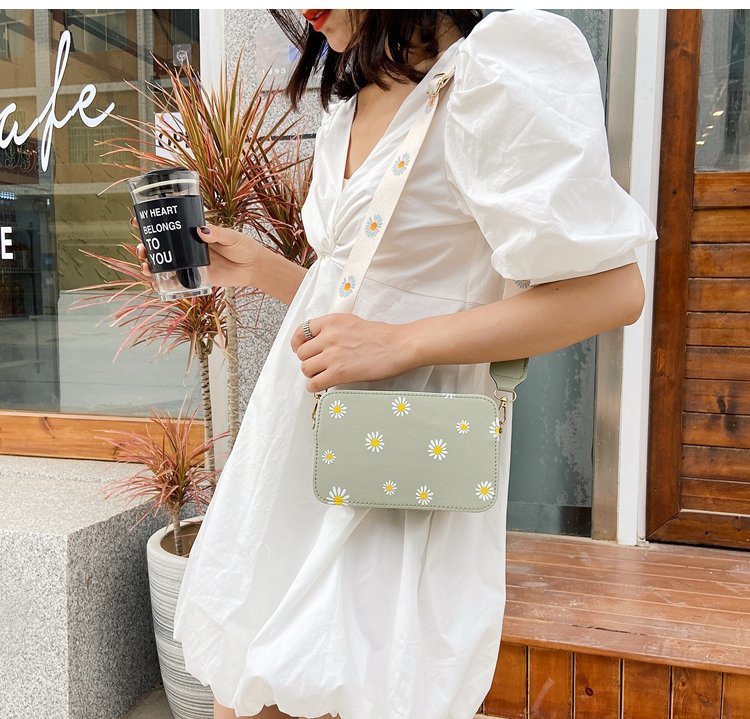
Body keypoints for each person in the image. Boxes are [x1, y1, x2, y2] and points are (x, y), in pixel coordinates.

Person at [136, 9, 657, 719]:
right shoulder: (351, 104)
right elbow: (355, 299)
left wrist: (402, 343)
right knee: (245, 688)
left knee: (345, 682)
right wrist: (258, 268)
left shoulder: (488, 78)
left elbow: (614, 291)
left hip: (398, 460)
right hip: (299, 443)